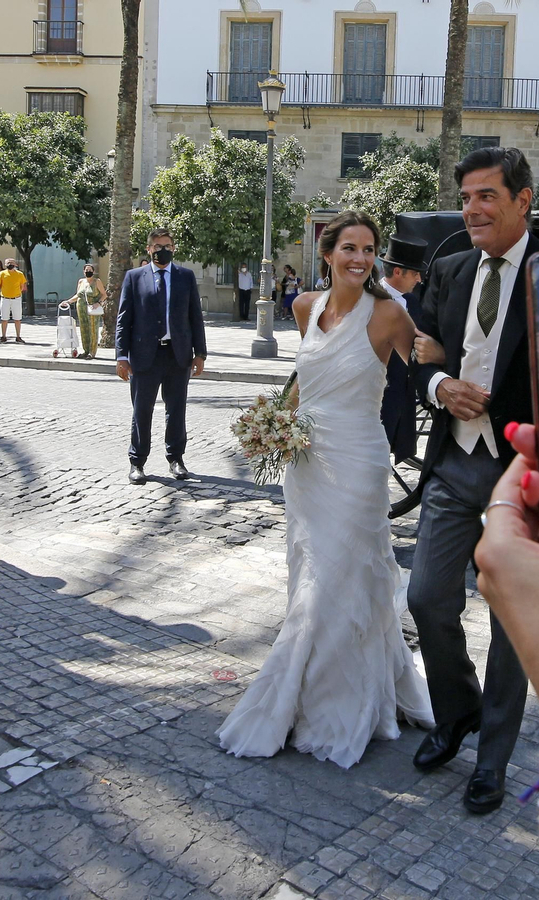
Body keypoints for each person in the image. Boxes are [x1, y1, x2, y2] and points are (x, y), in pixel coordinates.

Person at [218, 211, 433, 767]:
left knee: (344, 573)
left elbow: (428, 365)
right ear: (327, 251)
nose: (359, 258)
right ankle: (312, 690)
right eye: (349, 248)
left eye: (368, 250)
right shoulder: (303, 307)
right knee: (309, 573)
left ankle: (335, 703)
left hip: (360, 460)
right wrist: (273, 426)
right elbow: (305, 382)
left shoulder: (389, 315)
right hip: (306, 464)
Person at [406, 145, 539, 815]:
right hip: (455, 459)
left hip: (523, 471)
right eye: (465, 197)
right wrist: (440, 385)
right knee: (427, 597)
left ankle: (491, 759)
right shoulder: (450, 267)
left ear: (523, 200)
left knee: (510, 619)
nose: (471, 209)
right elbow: (419, 351)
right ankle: (457, 711)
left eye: (486, 196)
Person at [114, 228, 206, 485]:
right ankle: (137, 462)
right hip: (144, 356)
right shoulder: (134, 278)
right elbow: (124, 320)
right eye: (157, 246)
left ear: (174, 248)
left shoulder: (185, 277)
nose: (161, 249)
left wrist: (200, 353)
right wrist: (121, 355)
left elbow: (195, 317)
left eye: (166, 245)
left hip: (177, 356)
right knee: (142, 411)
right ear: (149, 249)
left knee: (176, 410)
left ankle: (176, 459)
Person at [377, 235, 426, 463]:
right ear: (398, 272)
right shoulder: (371, 300)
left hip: (402, 398)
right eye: (415, 272)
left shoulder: (412, 302)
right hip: (375, 401)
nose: (419, 278)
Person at [64, 263, 105, 360]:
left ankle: (92, 352)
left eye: (90, 270)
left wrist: (98, 303)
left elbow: (104, 294)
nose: (88, 272)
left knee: (93, 330)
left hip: (92, 309)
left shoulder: (97, 281)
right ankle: (85, 350)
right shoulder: (81, 282)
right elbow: (78, 295)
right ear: (83, 271)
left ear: (93, 272)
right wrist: (68, 301)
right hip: (81, 308)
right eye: (86, 270)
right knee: (84, 329)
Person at [0, 258, 26, 343]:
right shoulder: (2, 274)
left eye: (11, 262)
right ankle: (3, 336)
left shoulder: (20, 274)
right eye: (8, 263)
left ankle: (18, 336)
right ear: (5, 265)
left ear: (15, 264)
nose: (10, 264)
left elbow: (22, 286)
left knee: (17, 318)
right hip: (5, 299)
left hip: (16, 299)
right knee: (4, 318)